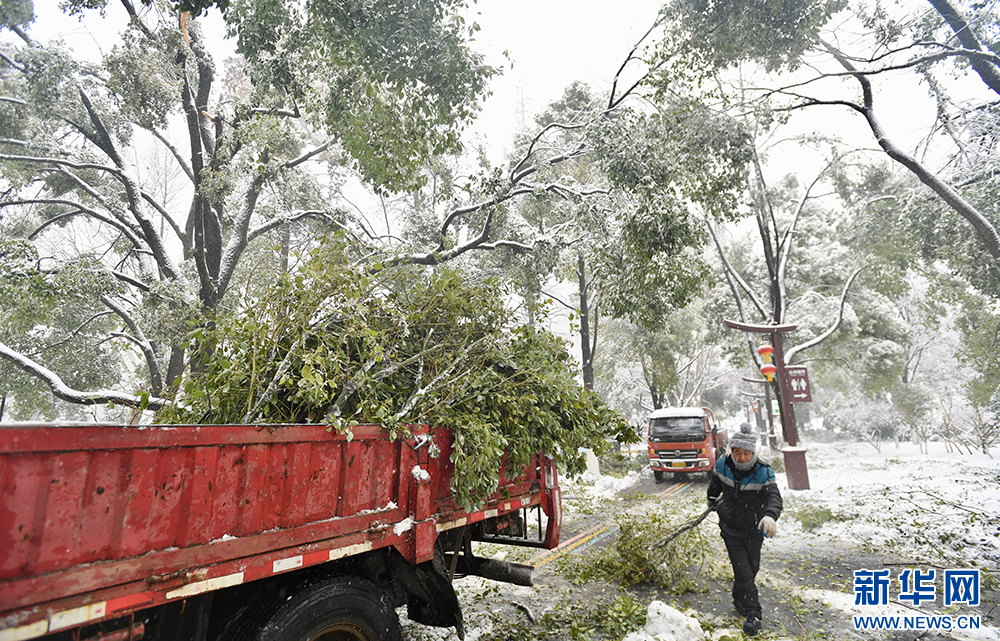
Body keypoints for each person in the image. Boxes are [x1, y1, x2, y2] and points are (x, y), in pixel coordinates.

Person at [707, 422, 783, 637]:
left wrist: (770, 516)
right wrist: (713, 503)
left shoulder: (763, 471)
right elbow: (714, 487)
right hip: (730, 528)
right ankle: (753, 613)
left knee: (752, 567)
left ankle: (739, 598)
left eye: (745, 453)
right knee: (743, 570)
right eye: (737, 452)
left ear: (753, 452)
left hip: (753, 529)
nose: (740, 458)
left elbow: (774, 498)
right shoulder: (722, 465)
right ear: (731, 450)